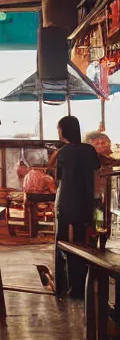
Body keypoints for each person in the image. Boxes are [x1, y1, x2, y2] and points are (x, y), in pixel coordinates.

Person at [54, 116, 100, 299]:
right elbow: (97, 176)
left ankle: (64, 287)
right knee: (84, 243)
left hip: (66, 202)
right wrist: (96, 201)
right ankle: (84, 285)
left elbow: (59, 181)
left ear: (64, 131)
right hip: (86, 204)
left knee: (62, 243)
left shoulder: (63, 153)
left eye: (59, 129)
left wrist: (55, 204)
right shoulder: (89, 150)